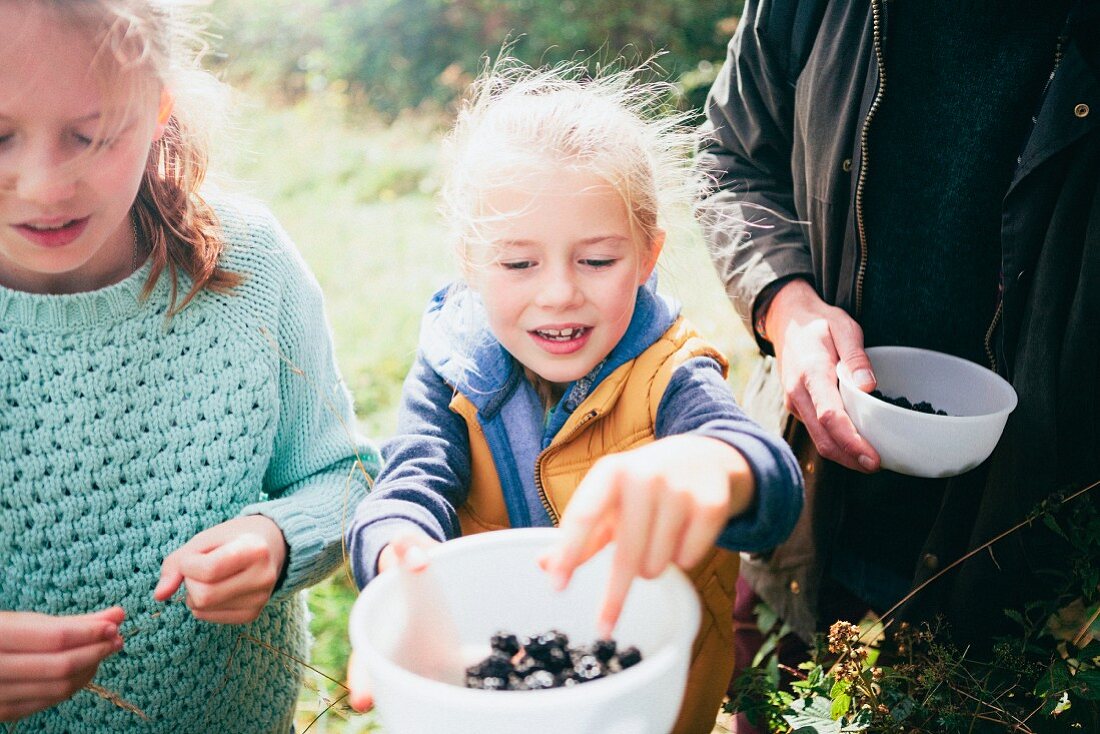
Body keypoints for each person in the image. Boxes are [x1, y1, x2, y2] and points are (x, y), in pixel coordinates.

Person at [343, 59, 804, 734]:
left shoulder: (671, 373)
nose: (559, 292)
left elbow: (765, 475)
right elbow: (411, 481)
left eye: (596, 260)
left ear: (648, 256)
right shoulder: (450, 369)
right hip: (492, 698)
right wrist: (397, 552)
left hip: (646, 712)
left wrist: (711, 464)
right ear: (469, 259)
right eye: (518, 263)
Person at [696, 0, 1099, 731]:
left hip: (1025, 554)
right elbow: (731, 159)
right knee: (763, 697)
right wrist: (787, 309)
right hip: (810, 499)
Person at [0, 1, 379, 730]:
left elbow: (348, 477)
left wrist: (279, 539)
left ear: (157, 111)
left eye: (91, 134)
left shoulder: (248, 266)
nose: (45, 185)